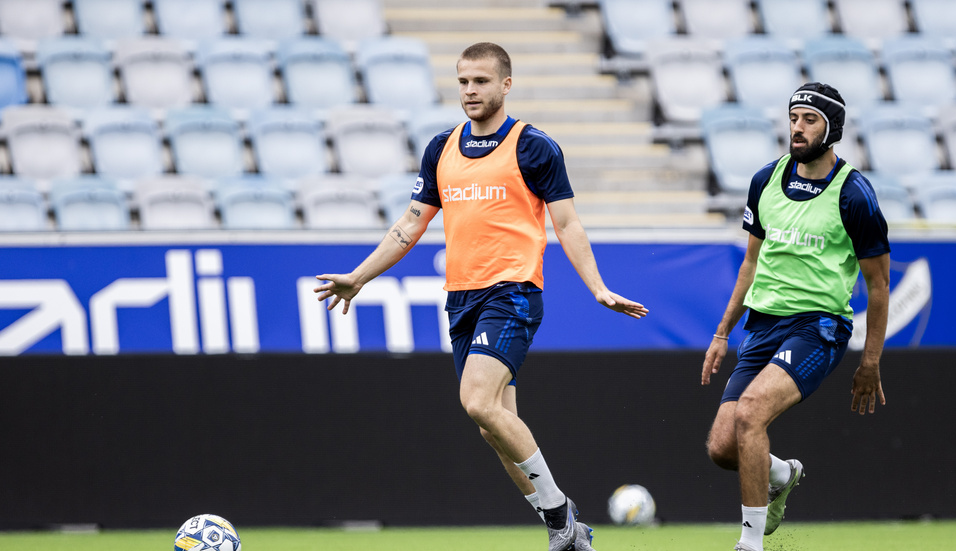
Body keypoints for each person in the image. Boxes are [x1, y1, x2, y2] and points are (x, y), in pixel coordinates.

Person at [314, 42, 648, 551]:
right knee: (494, 428)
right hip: (461, 298)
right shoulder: (441, 148)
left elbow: (567, 223)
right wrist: (360, 277)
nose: (470, 91)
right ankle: (564, 528)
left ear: (506, 85)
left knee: (475, 401)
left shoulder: (534, 146)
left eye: (481, 81)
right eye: (464, 81)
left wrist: (597, 287)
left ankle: (561, 516)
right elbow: (410, 224)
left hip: (512, 291)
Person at [700, 82, 891, 551]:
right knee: (722, 447)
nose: (798, 128)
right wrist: (722, 332)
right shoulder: (765, 179)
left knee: (750, 414)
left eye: (810, 120)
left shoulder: (855, 195)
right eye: (793, 118)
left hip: (819, 326)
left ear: (834, 128)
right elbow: (750, 264)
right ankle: (782, 474)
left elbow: (879, 286)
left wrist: (870, 362)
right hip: (763, 324)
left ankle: (749, 545)